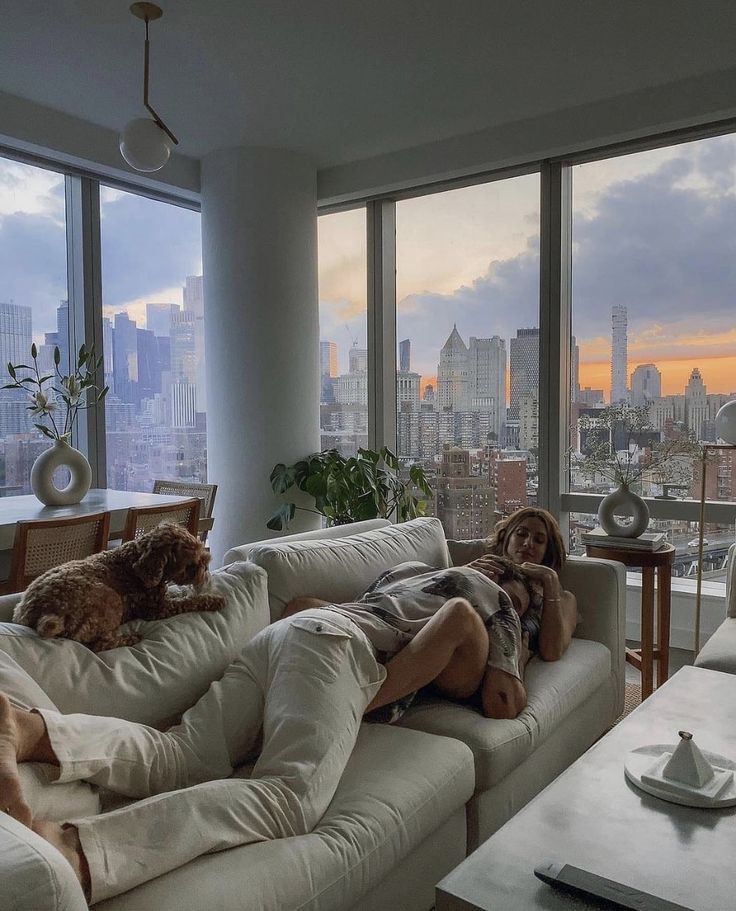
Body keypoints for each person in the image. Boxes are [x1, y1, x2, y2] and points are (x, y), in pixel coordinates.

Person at [0, 560, 541, 904]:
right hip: (336, 650)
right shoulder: (491, 600)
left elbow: (306, 608)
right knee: (287, 799)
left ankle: (27, 729)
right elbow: (502, 698)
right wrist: (519, 613)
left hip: (286, 637)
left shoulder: (411, 574)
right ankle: (78, 852)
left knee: (182, 754)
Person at [481, 507, 578, 662]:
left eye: (539, 540)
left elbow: (552, 652)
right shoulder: (486, 568)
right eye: (521, 534)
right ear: (506, 537)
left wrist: (550, 580)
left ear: (547, 551)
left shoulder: (564, 599)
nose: (528, 543)